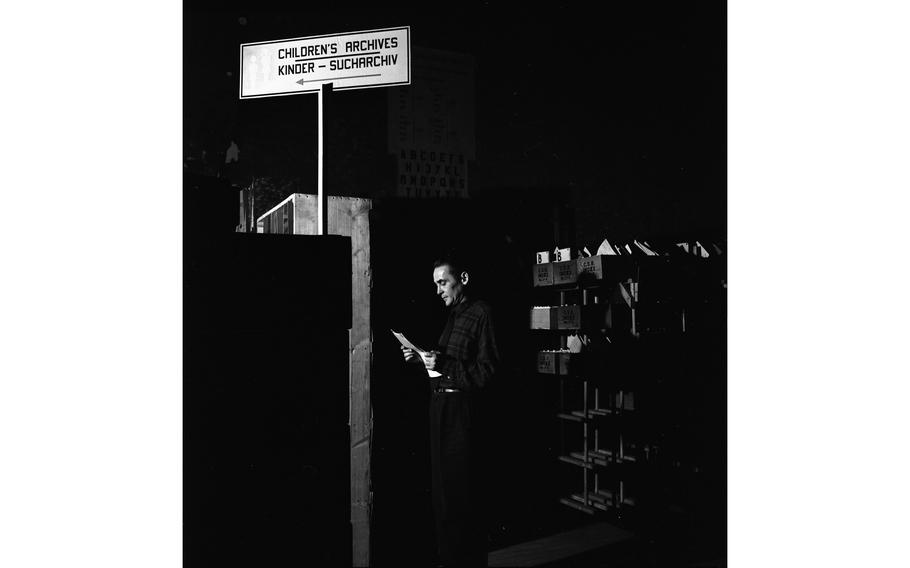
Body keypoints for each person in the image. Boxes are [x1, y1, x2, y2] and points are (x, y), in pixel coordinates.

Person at [401, 254, 499, 568]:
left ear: (464, 279)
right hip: (441, 410)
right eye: (436, 284)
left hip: (461, 416)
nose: (439, 290)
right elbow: (447, 366)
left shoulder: (482, 313)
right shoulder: (454, 315)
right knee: (443, 496)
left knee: (461, 497)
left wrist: (441, 364)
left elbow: (488, 372)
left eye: (443, 282)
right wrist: (423, 360)